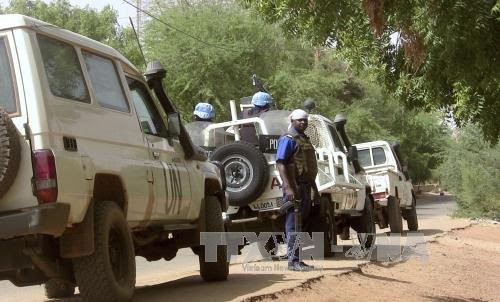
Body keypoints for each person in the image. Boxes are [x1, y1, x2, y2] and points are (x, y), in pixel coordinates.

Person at [276, 109, 320, 271]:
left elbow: (309, 168)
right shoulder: (288, 139)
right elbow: (281, 164)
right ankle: (293, 262)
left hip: (306, 186)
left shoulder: (304, 139)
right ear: (292, 121)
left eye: (305, 120)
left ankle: (298, 260)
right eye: (300, 120)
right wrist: (288, 187)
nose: (303, 123)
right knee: (293, 224)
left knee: (301, 224)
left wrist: (315, 190)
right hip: (294, 186)